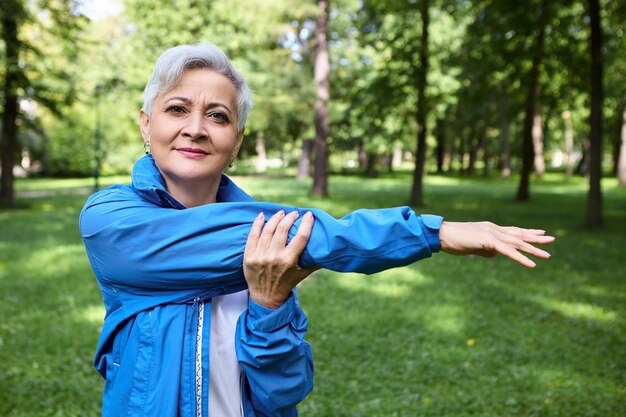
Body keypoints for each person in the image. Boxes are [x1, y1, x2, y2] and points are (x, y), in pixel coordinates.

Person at [79, 43, 554, 417]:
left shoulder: (273, 254)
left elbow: (285, 392)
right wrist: (434, 232)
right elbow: (306, 235)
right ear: (146, 124)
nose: (197, 128)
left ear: (237, 141)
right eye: (177, 109)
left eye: (218, 116)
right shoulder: (110, 219)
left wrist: (267, 306)